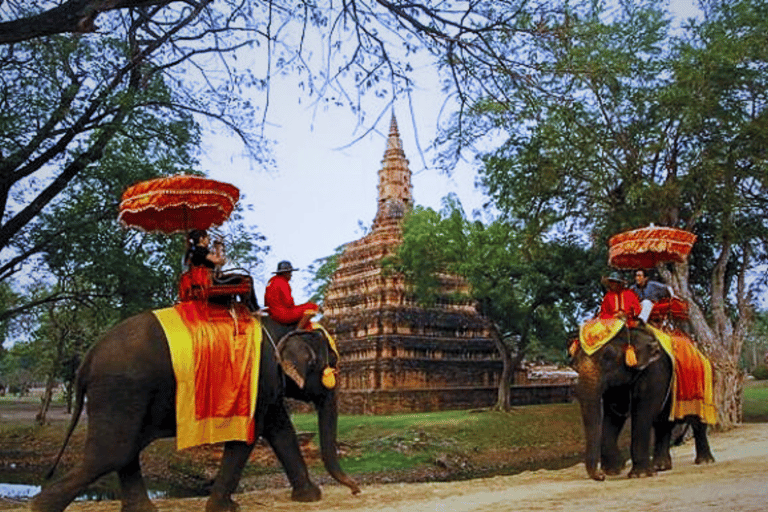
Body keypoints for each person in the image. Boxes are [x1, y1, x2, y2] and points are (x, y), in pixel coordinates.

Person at [185, 229, 259, 312]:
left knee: (241, 278)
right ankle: (252, 309)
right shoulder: (200, 250)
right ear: (201, 239)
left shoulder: (196, 251)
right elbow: (219, 261)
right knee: (246, 279)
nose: (209, 240)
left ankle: (249, 307)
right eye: (207, 238)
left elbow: (218, 264)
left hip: (211, 280)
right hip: (211, 281)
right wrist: (219, 246)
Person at [264, 260, 319, 325]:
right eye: (289, 272)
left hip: (273, 313)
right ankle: (299, 329)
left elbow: (266, 302)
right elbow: (289, 303)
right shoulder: (283, 282)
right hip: (283, 315)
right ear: (285, 273)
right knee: (312, 306)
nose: (291, 275)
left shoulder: (271, 281)